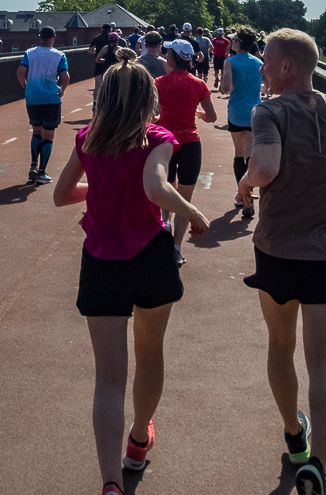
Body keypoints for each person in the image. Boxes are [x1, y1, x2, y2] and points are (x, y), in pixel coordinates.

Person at [53, 50, 211, 495]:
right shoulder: (156, 135)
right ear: (148, 97)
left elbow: (62, 196)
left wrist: (100, 186)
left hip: (101, 260)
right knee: (149, 356)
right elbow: (155, 187)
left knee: (108, 379)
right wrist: (193, 212)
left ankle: (109, 483)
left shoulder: (88, 138)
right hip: (149, 256)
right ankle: (139, 439)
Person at [236, 29, 326, 495]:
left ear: (286, 67)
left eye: (266, 61)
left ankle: (295, 436)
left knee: (280, 347)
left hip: (278, 247)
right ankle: (317, 463)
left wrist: (243, 188)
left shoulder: (268, 111)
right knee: (323, 363)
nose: (261, 68)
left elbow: (265, 169)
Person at [154, 38, 216, 266]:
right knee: (184, 199)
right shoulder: (199, 84)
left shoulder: (158, 82)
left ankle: (163, 236)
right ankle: (177, 248)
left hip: (165, 143)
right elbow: (212, 117)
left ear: (171, 58)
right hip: (191, 143)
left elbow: (152, 116)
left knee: (165, 194)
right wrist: (197, 114)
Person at [17, 25, 71, 185]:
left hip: (33, 97)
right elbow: (65, 76)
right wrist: (62, 89)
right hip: (50, 98)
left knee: (36, 132)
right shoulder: (60, 55)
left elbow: (20, 71)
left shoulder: (29, 53)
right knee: (48, 135)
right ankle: (42, 172)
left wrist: (26, 86)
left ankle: (33, 165)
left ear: (40, 37)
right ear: (54, 37)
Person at [219, 26, 263, 217]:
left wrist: (225, 85)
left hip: (237, 112)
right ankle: (248, 194)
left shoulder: (230, 62)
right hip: (255, 112)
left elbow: (225, 88)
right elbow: (266, 86)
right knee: (250, 156)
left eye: (234, 40)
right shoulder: (258, 62)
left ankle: (242, 195)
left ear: (238, 43)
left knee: (239, 154)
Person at [88, 23, 114, 110]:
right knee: (109, 84)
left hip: (98, 63)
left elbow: (90, 50)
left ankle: (95, 102)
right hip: (109, 63)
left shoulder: (97, 38)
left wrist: (98, 53)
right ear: (110, 29)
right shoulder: (111, 38)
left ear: (102, 29)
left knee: (98, 84)